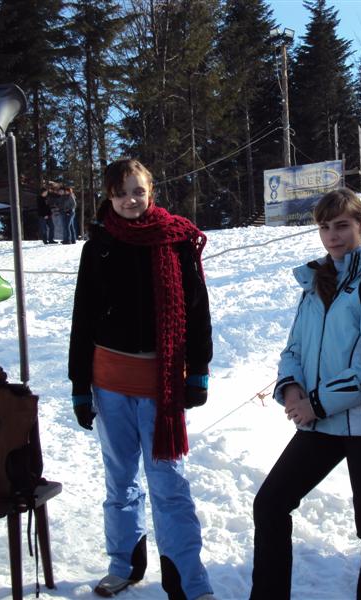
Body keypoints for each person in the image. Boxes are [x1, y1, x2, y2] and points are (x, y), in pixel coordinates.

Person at [68, 158, 216, 600]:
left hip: (161, 384)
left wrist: (199, 371)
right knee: (120, 483)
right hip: (109, 382)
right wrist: (79, 386)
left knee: (169, 485)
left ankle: (187, 580)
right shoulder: (98, 246)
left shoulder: (177, 240)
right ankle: (124, 564)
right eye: (121, 193)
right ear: (109, 196)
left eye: (137, 191)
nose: (130, 200)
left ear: (151, 191)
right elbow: (83, 318)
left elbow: (197, 311)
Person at [250, 188, 361, 600]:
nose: (333, 236)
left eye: (342, 225)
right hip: (321, 420)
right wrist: (291, 389)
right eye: (325, 227)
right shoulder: (316, 281)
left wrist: (317, 403)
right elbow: (294, 349)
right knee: (270, 504)